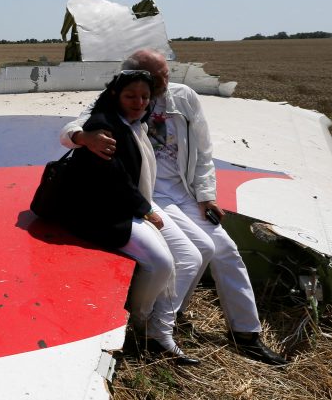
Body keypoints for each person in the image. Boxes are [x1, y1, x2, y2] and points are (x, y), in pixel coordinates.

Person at [61, 49, 287, 365]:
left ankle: (245, 334)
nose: (165, 82)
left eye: (168, 74)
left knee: (225, 250)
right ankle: (159, 325)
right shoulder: (123, 98)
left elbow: (204, 151)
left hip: (184, 191)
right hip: (149, 192)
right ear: (136, 77)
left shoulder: (184, 98)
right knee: (197, 251)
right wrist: (84, 137)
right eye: (158, 77)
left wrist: (206, 195)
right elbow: (75, 126)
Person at [58, 69, 199, 365]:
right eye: (130, 96)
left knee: (189, 257)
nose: (138, 102)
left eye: (145, 97)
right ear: (115, 95)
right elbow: (114, 179)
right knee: (160, 262)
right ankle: (139, 322)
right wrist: (146, 210)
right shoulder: (103, 127)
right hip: (103, 213)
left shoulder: (136, 122)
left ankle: (161, 325)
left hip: (130, 205)